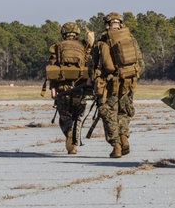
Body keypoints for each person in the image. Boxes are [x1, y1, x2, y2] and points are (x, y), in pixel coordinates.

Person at [92, 12, 142, 158]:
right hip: (128, 83)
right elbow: (141, 63)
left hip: (109, 85)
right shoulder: (130, 39)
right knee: (124, 112)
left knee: (109, 114)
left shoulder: (103, 40)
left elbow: (93, 64)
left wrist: (94, 80)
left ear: (107, 24)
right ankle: (124, 137)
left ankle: (116, 146)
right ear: (121, 23)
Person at [43, 22, 94, 154]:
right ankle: (74, 138)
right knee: (78, 114)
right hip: (80, 87)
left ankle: (69, 133)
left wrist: (52, 89)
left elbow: (52, 69)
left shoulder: (57, 47)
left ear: (63, 33)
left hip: (62, 88)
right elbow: (91, 63)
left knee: (65, 116)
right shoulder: (83, 46)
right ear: (76, 33)